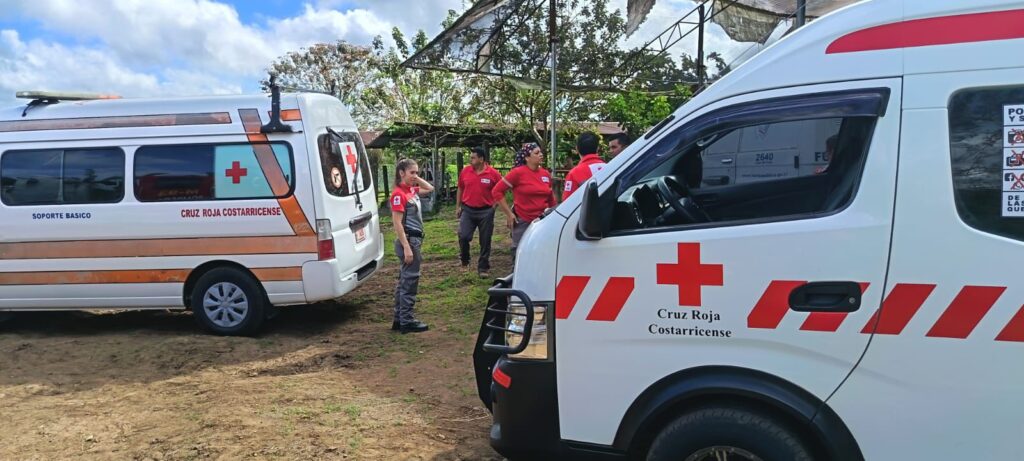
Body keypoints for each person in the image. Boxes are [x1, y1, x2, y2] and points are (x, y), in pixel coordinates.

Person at [390, 158, 434, 334]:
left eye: (417, 172)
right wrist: (407, 247)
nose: (415, 176)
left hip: (414, 240)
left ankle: (399, 319)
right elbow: (397, 223)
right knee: (410, 281)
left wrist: (416, 178)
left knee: (404, 281)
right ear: (401, 173)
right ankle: (407, 321)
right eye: (412, 172)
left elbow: (429, 189)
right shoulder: (399, 194)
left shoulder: (411, 191)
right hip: (409, 241)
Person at [492, 143, 556, 255]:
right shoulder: (518, 173)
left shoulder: (545, 174)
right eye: (536, 153)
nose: (541, 154)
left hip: (543, 221)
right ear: (527, 158)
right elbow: (497, 191)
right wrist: (509, 214)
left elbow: (550, 197)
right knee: (520, 252)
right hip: (523, 220)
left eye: (540, 152)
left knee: (542, 252)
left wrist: (554, 216)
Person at [456, 146, 502, 276]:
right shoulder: (465, 171)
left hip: (486, 211)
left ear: (481, 159)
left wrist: (494, 206)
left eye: (473, 158)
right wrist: (458, 206)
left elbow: (501, 190)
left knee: (485, 240)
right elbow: (460, 188)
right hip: (468, 209)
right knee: (463, 235)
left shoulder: (493, 174)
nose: (470, 160)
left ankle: (483, 267)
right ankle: (465, 260)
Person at [562, 132, 607, 201]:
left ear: (577, 149)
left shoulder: (574, 174)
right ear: (597, 148)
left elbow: (567, 202)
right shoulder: (610, 168)